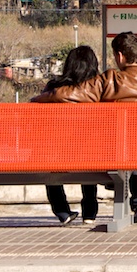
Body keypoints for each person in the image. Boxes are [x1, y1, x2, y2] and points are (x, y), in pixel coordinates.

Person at [31, 31, 137, 223]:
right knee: (136, 145)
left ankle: (79, 207)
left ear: (120, 56)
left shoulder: (111, 80)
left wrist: (41, 98)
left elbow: (72, 94)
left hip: (110, 154)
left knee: (118, 145)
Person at [37, 45, 101, 226]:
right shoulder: (97, 89)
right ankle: (89, 212)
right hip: (92, 154)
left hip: (56, 153)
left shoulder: (53, 88)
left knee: (49, 161)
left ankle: (62, 211)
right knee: (89, 152)